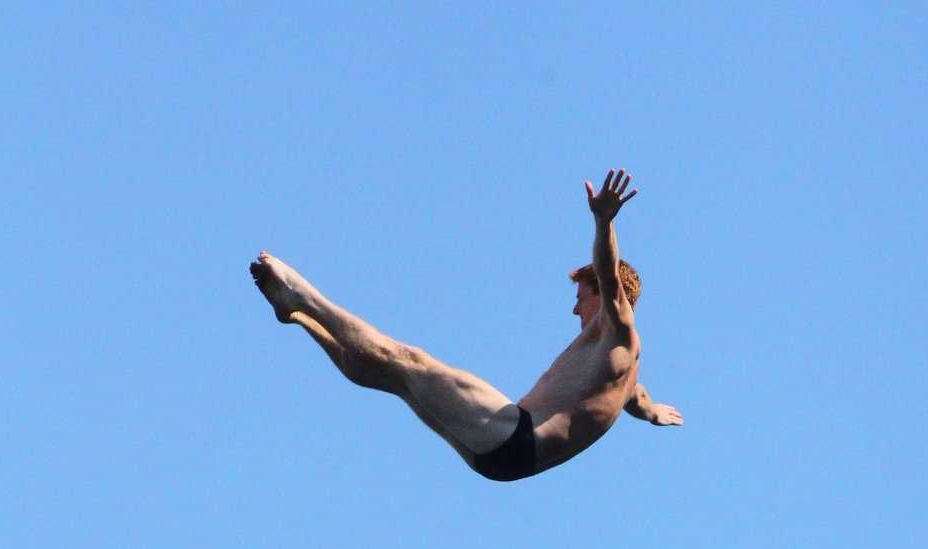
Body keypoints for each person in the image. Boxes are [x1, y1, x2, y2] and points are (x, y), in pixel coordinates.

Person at [249, 168, 683, 481]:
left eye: (579, 297)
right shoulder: (625, 371)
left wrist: (603, 221)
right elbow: (636, 400)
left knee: (407, 359)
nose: (574, 311)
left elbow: (607, 273)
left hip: (515, 434)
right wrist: (653, 414)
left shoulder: (619, 327)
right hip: (498, 460)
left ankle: (305, 297)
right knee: (394, 378)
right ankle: (300, 318)